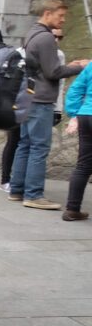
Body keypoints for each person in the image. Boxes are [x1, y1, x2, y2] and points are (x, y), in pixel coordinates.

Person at [8, 0, 88, 210]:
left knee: (24, 144)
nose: (62, 20)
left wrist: (69, 65)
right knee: (39, 147)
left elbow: (45, 67)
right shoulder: (45, 38)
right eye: (60, 16)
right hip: (41, 100)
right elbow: (53, 72)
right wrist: (82, 67)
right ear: (47, 13)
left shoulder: (32, 33)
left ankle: (16, 189)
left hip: (29, 96)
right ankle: (33, 195)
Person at [62, 58, 92, 221]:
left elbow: (74, 90)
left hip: (86, 115)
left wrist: (75, 114)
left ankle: (72, 209)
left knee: (83, 165)